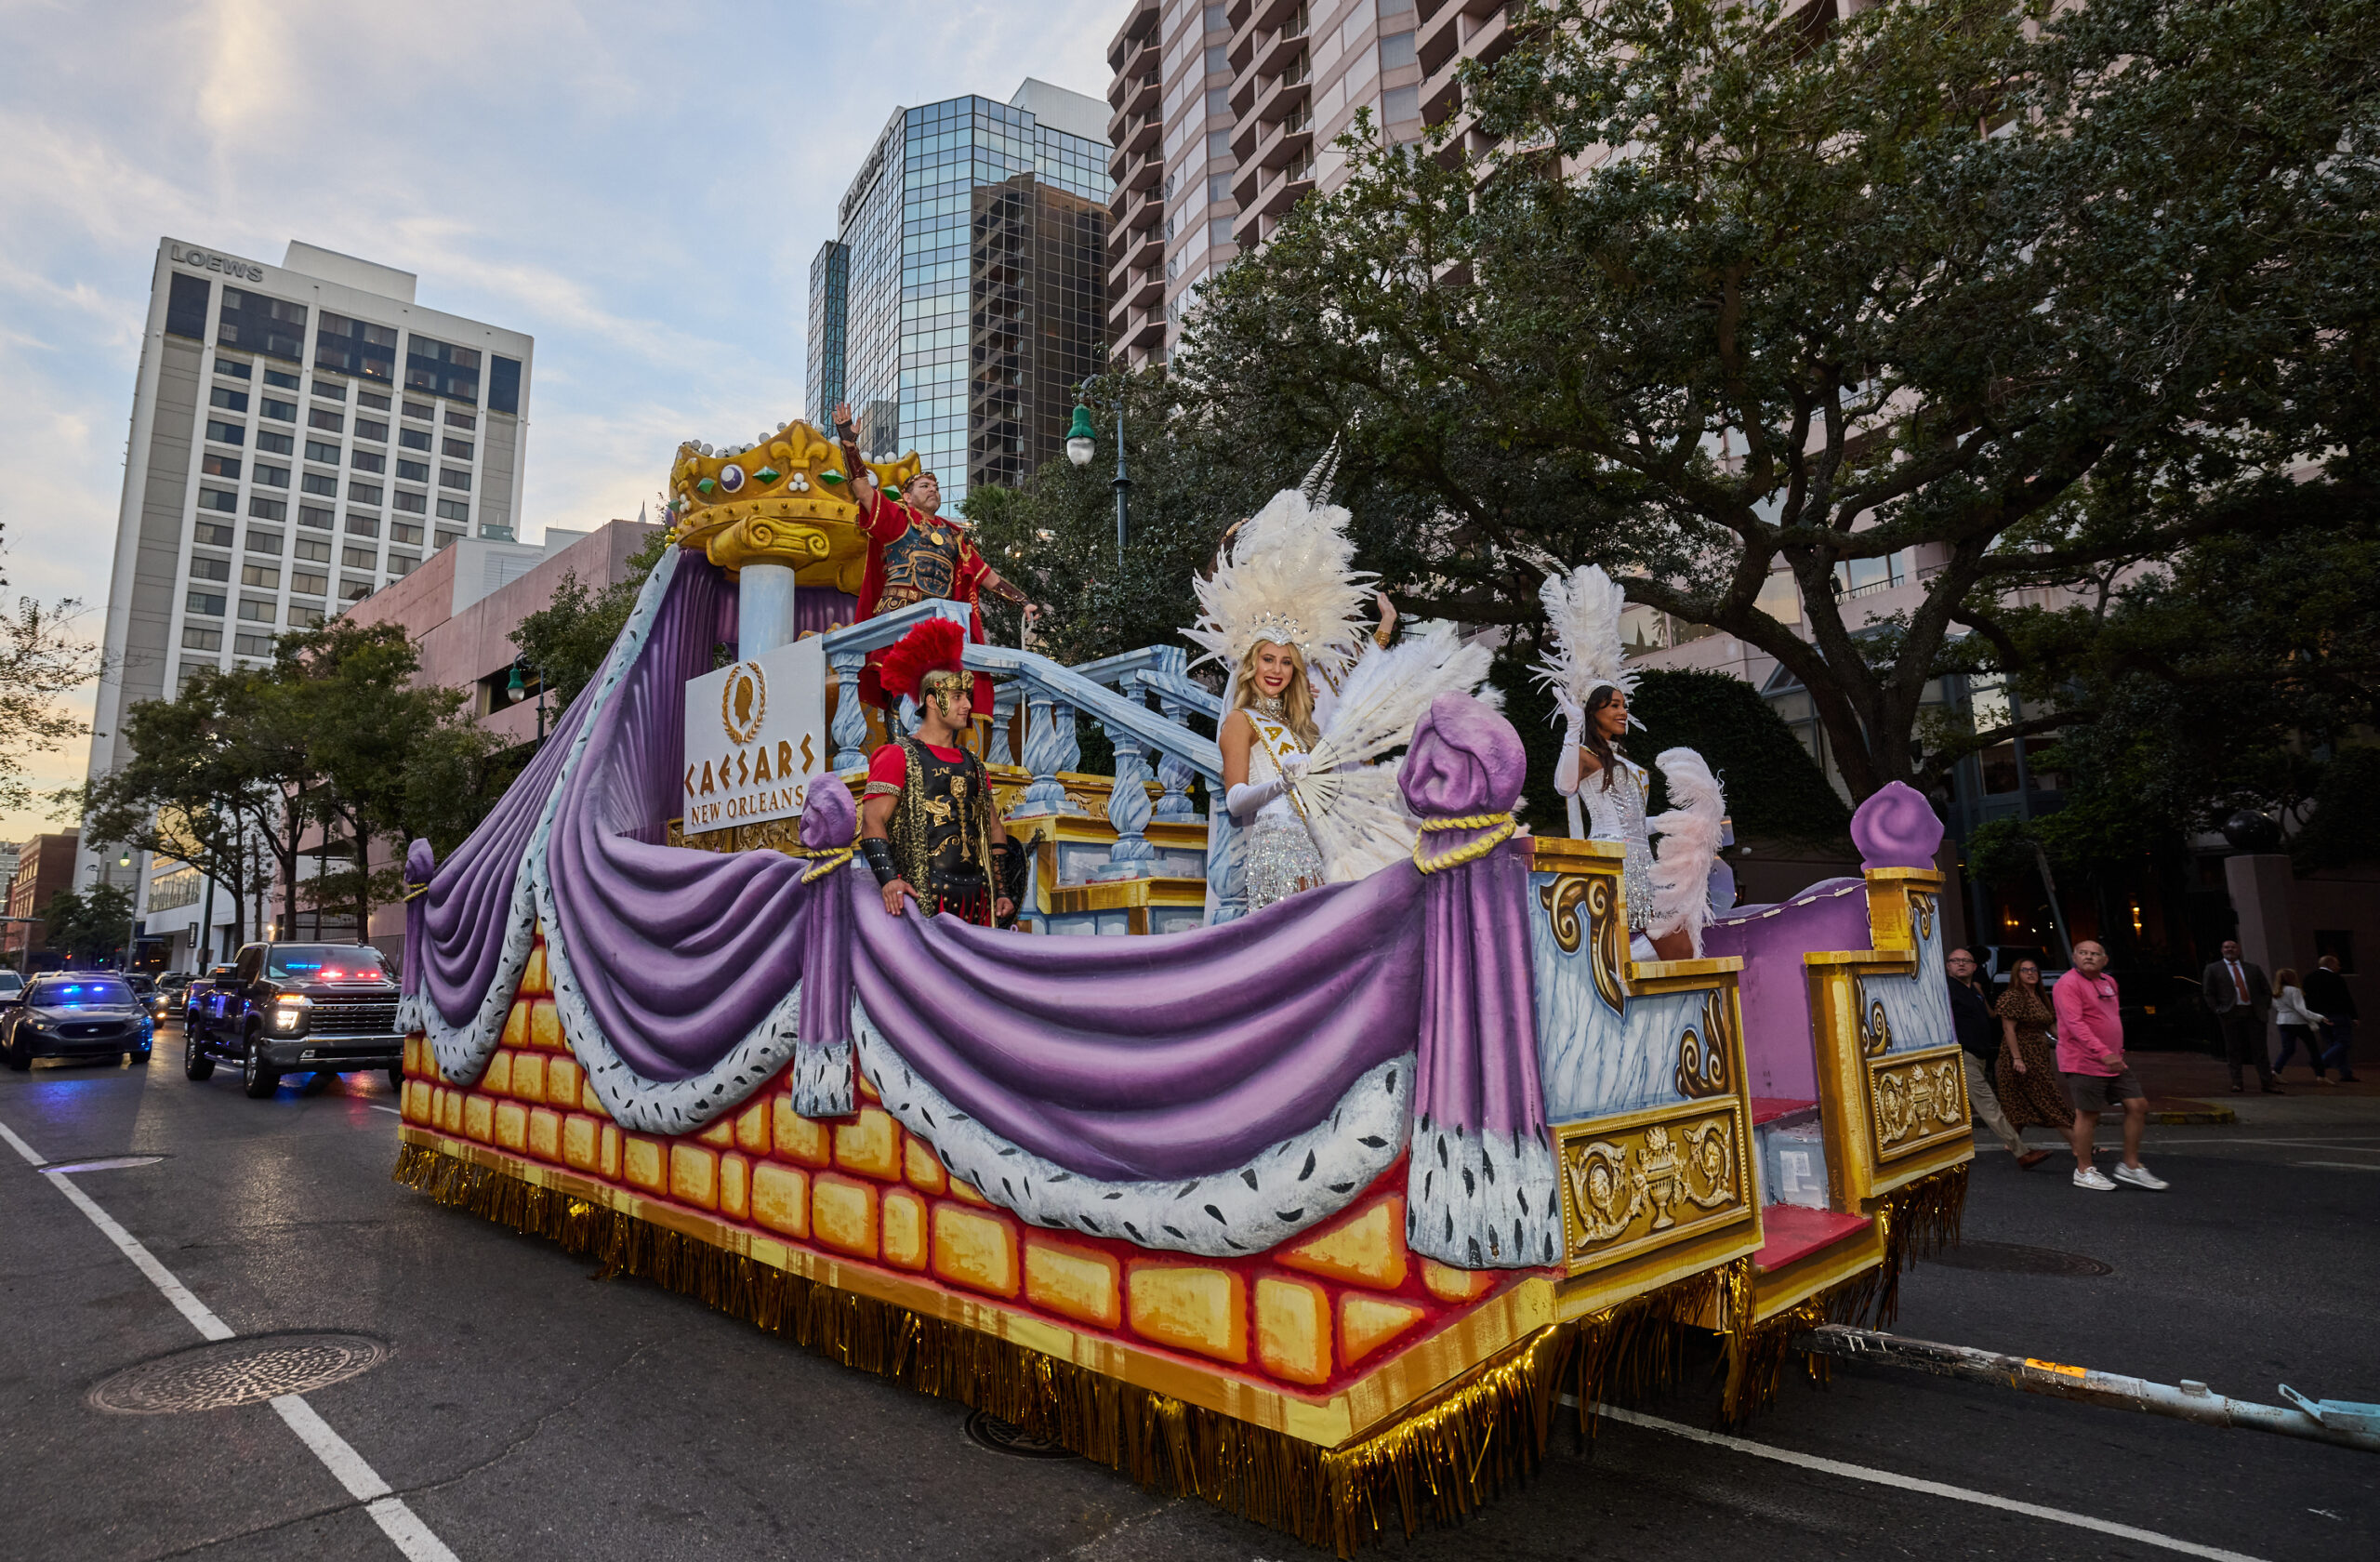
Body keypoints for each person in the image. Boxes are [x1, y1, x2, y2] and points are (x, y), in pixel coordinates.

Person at [831, 401, 1030, 713]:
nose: (933, 489)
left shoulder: (955, 536)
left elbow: (985, 576)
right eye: (925, 485)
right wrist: (849, 443)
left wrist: (1023, 601)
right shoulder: (898, 517)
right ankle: (902, 752)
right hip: (900, 613)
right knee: (901, 693)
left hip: (939, 623)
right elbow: (862, 489)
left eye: (936, 486)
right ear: (907, 496)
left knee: (939, 699)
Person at [856, 618, 1023, 927]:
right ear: (932, 700)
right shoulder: (896, 755)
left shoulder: (974, 764)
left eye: (967, 697)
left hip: (978, 902)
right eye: (958, 697)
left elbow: (993, 827)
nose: (967, 705)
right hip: (922, 901)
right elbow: (872, 820)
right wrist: (889, 880)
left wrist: (1003, 890)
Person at [1218, 638, 1330, 914]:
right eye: (1268, 659)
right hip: (1276, 845)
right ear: (1251, 664)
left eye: (1286, 662)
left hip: (1311, 844)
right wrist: (1283, 782)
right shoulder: (1239, 720)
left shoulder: (1298, 727)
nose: (1277, 670)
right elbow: (1234, 801)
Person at [2055, 940, 2167, 1192]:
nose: (2089, 957)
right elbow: (2075, 1023)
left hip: (2114, 1059)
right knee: (2088, 1114)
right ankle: (2084, 1170)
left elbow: (2110, 1019)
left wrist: (2115, 1052)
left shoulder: (2108, 982)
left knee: (2138, 1105)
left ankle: (2130, 1165)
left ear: (2105, 960)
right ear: (2074, 957)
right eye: (2083, 953)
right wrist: (2103, 1052)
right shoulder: (2068, 984)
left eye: (2095, 954)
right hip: (2083, 1059)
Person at [1947, 947, 2047, 1168]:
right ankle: (2022, 1153)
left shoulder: (1974, 990)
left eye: (1966, 961)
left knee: (1955, 1109)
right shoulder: (1946, 990)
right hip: (1962, 1055)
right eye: (1955, 961)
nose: (1961, 964)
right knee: (1989, 1105)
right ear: (1948, 966)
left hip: (1980, 1055)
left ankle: (1948, 1154)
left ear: (1975, 967)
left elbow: (1991, 1017)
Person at [1993, 957, 2075, 1156]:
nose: (2030, 973)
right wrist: (2017, 1059)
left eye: (2034, 970)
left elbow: (2051, 1026)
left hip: (2038, 1054)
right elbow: (2008, 1029)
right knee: (2049, 1099)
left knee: (2020, 1103)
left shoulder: (2039, 997)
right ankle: (2081, 1146)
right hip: (2020, 1054)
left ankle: (2012, 1144)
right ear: (2017, 974)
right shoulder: (2013, 996)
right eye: (2024, 970)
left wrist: (2072, 1041)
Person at [2202, 937, 2280, 1094]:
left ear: (2239, 950)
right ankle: (2237, 1083)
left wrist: (2263, 1006)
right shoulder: (2214, 969)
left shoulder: (2253, 969)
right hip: (2230, 1013)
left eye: (2233, 947)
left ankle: (2267, 1083)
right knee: (2233, 1050)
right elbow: (2208, 992)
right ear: (2222, 950)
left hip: (2254, 1013)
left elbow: (2265, 989)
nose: (2230, 950)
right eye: (2226, 947)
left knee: (2260, 1051)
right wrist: (2218, 1009)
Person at [2303, 955, 2361, 1082]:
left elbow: (2306, 999)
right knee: (2344, 1042)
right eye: (2337, 964)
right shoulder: (2336, 978)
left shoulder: (2309, 978)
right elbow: (2346, 998)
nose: (2339, 967)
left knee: (2333, 1044)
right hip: (2337, 1014)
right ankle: (2321, 1061)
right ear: (2331, 964)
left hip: (2320, 1017)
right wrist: (2354, 1016)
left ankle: (2346, 1073)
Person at [2269, 969, 2335, 1083]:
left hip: (2282, 1021)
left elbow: (2276, 1007)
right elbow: (2301, 1009)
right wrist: (2319, 1017)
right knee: (2313, 1049)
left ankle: (2276, 1070)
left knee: (2288, 1049)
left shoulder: (2275, 992)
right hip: (2298, 1023)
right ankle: (2321, 1075)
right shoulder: (2295, 990)